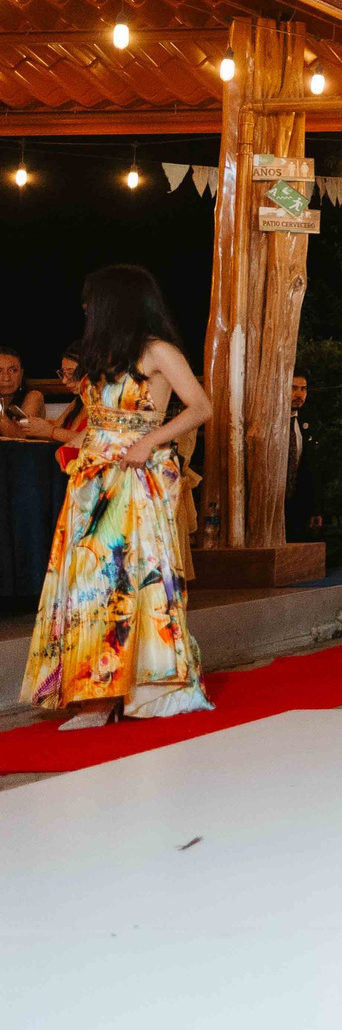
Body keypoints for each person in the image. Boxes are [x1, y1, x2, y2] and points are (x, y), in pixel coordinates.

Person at [19, 266, 216, 724]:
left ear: (114, 302)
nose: (86, 309)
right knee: (84, 582)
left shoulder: (158, 352)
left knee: (126, 578)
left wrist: (150, 440)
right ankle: (93, 689)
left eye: (92, 301)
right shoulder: (104, 354)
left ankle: (125, 689)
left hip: (136, 476)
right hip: (92, 476)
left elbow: (201, 405)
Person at [0, 346, 67, 604]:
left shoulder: (33, 395)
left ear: (22, 373)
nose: (6, 377)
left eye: (12, 370)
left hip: (27, 474)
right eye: (0, 371)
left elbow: (21, 433)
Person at [283, 371, 321, 550]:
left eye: (303, 389)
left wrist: (314, 510)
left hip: (298, 506)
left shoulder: (308, 423)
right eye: (293, 388)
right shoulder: (270, 424)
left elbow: (312, 468)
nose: (299, 394)